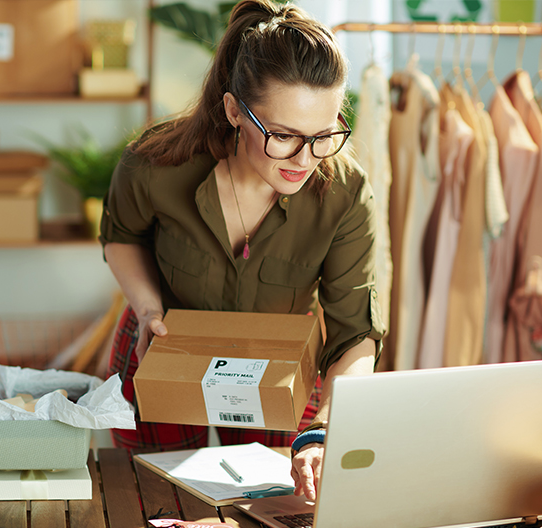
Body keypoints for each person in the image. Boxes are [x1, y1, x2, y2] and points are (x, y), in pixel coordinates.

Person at [99, 0, 385, 501]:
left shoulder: (345, 192)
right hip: (162, 347)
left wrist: (323, 428)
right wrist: (147, 309)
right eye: (283, 136)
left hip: (279, 369)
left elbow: (355, 332)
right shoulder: (155, 164)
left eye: (323, 136)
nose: (304, 160)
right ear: (234, 110)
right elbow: (122, 236)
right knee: (148, 499)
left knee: (273, 504)